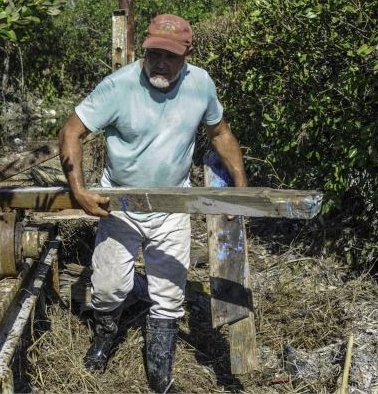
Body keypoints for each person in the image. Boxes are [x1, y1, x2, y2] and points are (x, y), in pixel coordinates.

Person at [58, 13, 247, 392]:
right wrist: (78, 189)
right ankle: (105, 337)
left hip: (173, 205)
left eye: (171, 56)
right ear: (145, 49)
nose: (161, 63)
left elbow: (220, 133)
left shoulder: (200, 85)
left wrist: (240, 188)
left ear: (187, 55)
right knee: (109, 288)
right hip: (121, 204)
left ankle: (160, 374)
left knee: (169, 294)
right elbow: (71, 131)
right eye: (154, 54)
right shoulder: (119, 86)